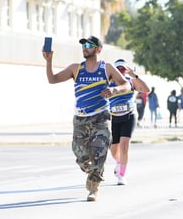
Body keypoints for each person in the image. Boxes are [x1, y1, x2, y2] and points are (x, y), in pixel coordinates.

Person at [43, 36, 130, 201]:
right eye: (83, 45)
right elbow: (52, 79)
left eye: (89, 45)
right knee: (80, 155)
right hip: (81, 118)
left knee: (100, 151)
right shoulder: (75, 68)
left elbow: (126, 84)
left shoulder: (107, 68)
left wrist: (115, 90)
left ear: (98, 49)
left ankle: (94, 187)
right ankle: (93, 173)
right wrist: (49, 61)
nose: (85, 47)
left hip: (101, 116)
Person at [109, 59, 149, 185]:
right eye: (118, 69)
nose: (120, 71)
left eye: (123, 69)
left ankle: (121, 175)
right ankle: (119, 163)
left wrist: (135, 76)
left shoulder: (131, 82)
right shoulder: (108, 83)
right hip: (115, 117)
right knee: (113, 149)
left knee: (124, 146)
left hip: (129, 116)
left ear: (127, 70)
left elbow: (146, 90)